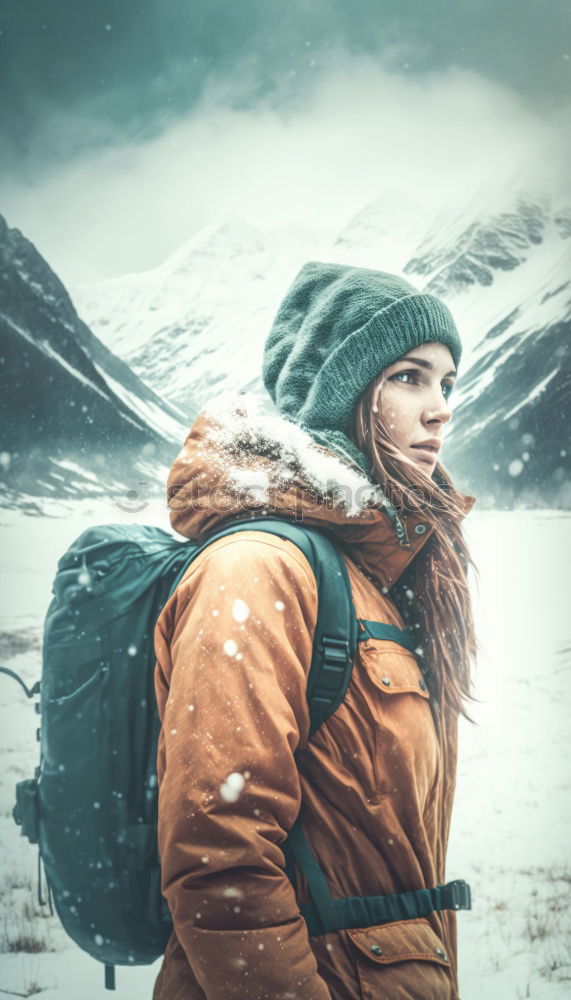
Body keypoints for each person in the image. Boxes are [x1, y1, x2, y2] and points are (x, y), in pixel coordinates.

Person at [152, 262, 478, 1000]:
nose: (438, 410)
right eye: (408, 377)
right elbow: (219, 852)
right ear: (342, 392)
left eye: (446, 384)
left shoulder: (371, 573)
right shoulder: (258, 568)